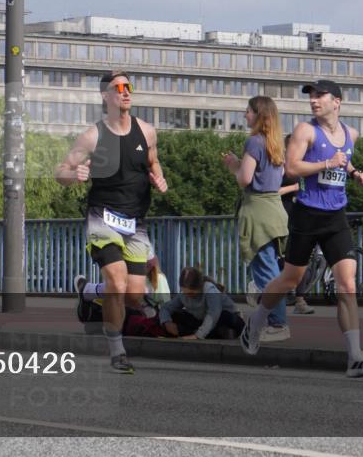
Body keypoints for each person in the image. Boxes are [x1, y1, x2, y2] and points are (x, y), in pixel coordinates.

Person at [241, 79, 363, 378]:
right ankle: (256, 321)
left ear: (337, 101)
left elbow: (342, 163)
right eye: (312, 96)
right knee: (290, 279)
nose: (314, 100)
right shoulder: (306, 131)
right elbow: (291, 169)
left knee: (348, 284)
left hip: (336, 217)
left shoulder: (351, 134)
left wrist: (356, 173)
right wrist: (326, 162)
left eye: (321, 95)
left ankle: (355, 357)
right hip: (307, 216)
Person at [57, 70, 168, 374]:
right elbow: (62, 170)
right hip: (103, 217)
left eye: (128, 86)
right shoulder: (93, 135)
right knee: (117, 283)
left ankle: (89, 292)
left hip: (136, 222)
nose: (125, 92)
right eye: (118, 88)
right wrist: (74, 175)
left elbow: (153, 160)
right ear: (105, 96)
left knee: (134, 294)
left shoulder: (146, 131)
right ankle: (117, 351)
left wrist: (159, 177)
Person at [222, 95, 290, 342]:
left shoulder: (253, 142)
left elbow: (245, 179)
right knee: (271, 268)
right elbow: (272, 177)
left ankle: (278, 323)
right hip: (275, 211)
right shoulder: (277, 143)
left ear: (258, 115)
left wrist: (233, 166)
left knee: (267, 273)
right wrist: (240, 164)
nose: (245, 115)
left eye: (248, 111)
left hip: (258, 213)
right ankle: (268, 312)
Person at [279, 134, 315, 315]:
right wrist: (294, 189)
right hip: (281, 218)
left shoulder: (302, 167)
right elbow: (272, 191)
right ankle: (279, 296)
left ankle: (300, 300)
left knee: (302, 260)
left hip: (299, 217)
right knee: (284, 261)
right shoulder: (280, 166)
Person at [160, 266, 245, 340]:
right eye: (185, 293)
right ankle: (208, 333)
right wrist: (167, 322)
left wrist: (197, 336)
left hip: (225, 320)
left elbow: (213, 314)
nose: (188, 296)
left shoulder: (209, 289)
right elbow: (166, 308)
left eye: (191, 293)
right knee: (176, 314)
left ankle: (217, 332)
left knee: (224, 316)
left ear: (199, 287)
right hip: (202, 322)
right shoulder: (183, 295)